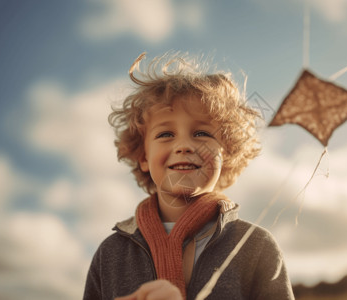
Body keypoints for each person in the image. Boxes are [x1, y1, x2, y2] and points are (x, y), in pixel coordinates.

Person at [83, 52, 295, 300]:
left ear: (226, 154)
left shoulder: (256, 246)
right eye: (165, 135)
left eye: (202, 133)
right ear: (142, 156)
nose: (184, 145)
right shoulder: (111, 254)